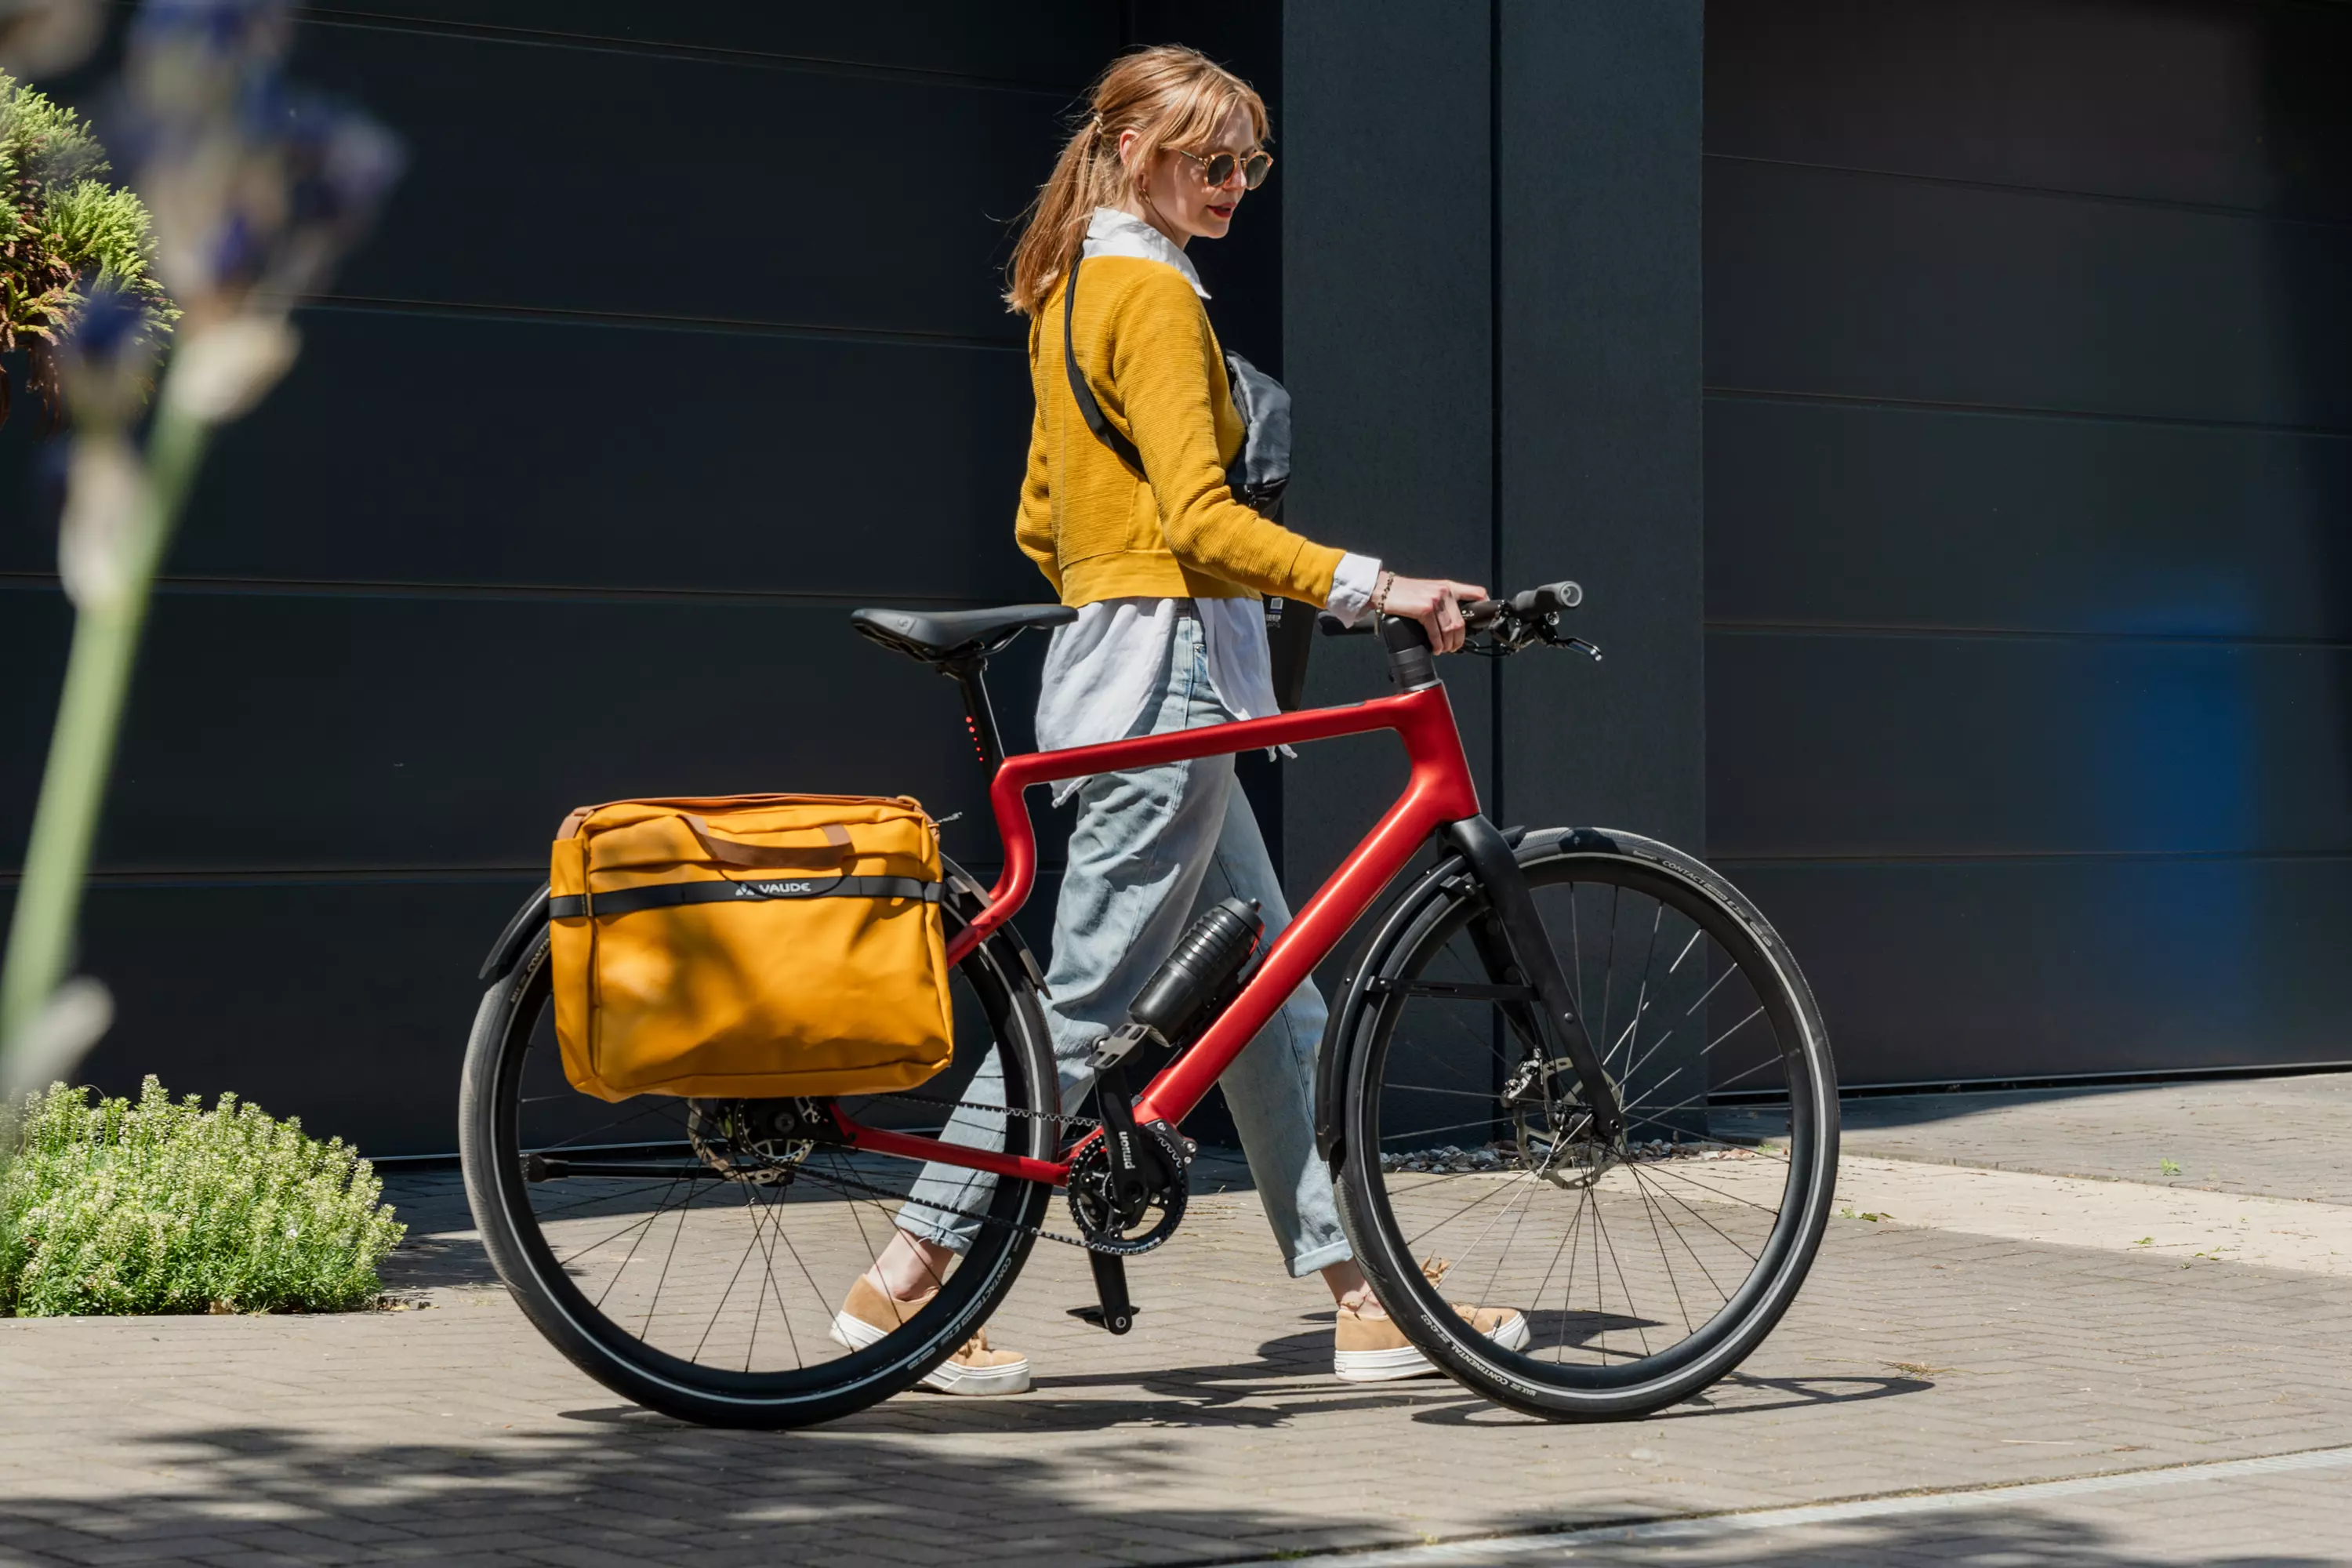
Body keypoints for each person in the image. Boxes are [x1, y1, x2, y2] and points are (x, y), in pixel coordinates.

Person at [832, 44, 1526, 1395]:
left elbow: (1046, 515)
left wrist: (1126, 573)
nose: (1235, 184)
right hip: (1170, 685)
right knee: (1085, 1004)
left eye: (1251, 163)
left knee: (1275, 1003)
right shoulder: (1149, 294)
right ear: (1139, 150)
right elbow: (1204, 521)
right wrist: (1374, 584)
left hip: (1119, 666)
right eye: (1211, 160)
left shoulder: (1069, 287)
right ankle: (902, 1288)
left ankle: (1363, 1293)